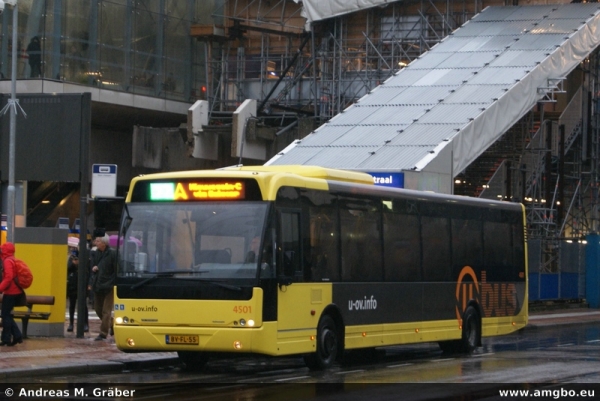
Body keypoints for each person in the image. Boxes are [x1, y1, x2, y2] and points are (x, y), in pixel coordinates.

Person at [89, 234, 116, 341]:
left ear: (104, 243)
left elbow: (116, 269)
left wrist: (113, 282)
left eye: (98, 241)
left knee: (106, 311)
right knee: (97, 309)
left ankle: (103, 333)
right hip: (98, 285)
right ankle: (112, 324)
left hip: (108, 285)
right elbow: (93, 267)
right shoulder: (96, 253)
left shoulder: (112, 254)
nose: (96, 243)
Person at [0, 242, 23, 346]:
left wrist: (0, 288)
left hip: (10, 292)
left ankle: (6, 339)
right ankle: (17, 336)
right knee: (7, 314)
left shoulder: (7, 261)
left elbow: (8, 277)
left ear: (5, 251)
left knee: (5, 315)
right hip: (16, 291)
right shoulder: (12, 259)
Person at [66, 237, 89, 333]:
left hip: (81, 284)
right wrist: (73, 264)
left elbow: (87, 270)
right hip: (72, 285)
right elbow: (67, 269)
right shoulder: (70, 257)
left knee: (83, 305)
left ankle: (85, 323)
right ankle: (71, 323)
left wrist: (79, 264)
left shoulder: (85, 256)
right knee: (72, 305)